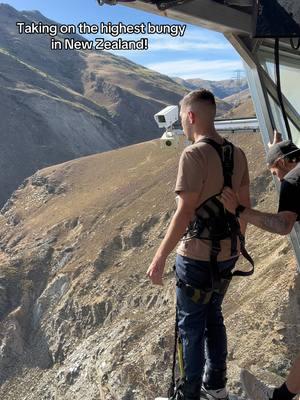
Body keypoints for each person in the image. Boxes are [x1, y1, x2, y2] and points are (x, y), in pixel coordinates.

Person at [147, 89, 251, 400]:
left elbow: (185, 212)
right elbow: (243, 207)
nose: (182, 124)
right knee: (214, 317)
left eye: (181, 118)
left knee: (190, 326)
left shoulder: (192, 155)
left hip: (195, 257)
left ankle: (188, 393)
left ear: (191, 116)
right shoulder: (238, 154)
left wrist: (160, 256)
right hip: (228, 255)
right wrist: (235, 247)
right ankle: (216, 386)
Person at [221, 139, 300, 400]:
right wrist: (276, 148)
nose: (277, 179)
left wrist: (240, 210)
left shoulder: (293, 179)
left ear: (281, 163)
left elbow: (282, 225)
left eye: (274, 173)